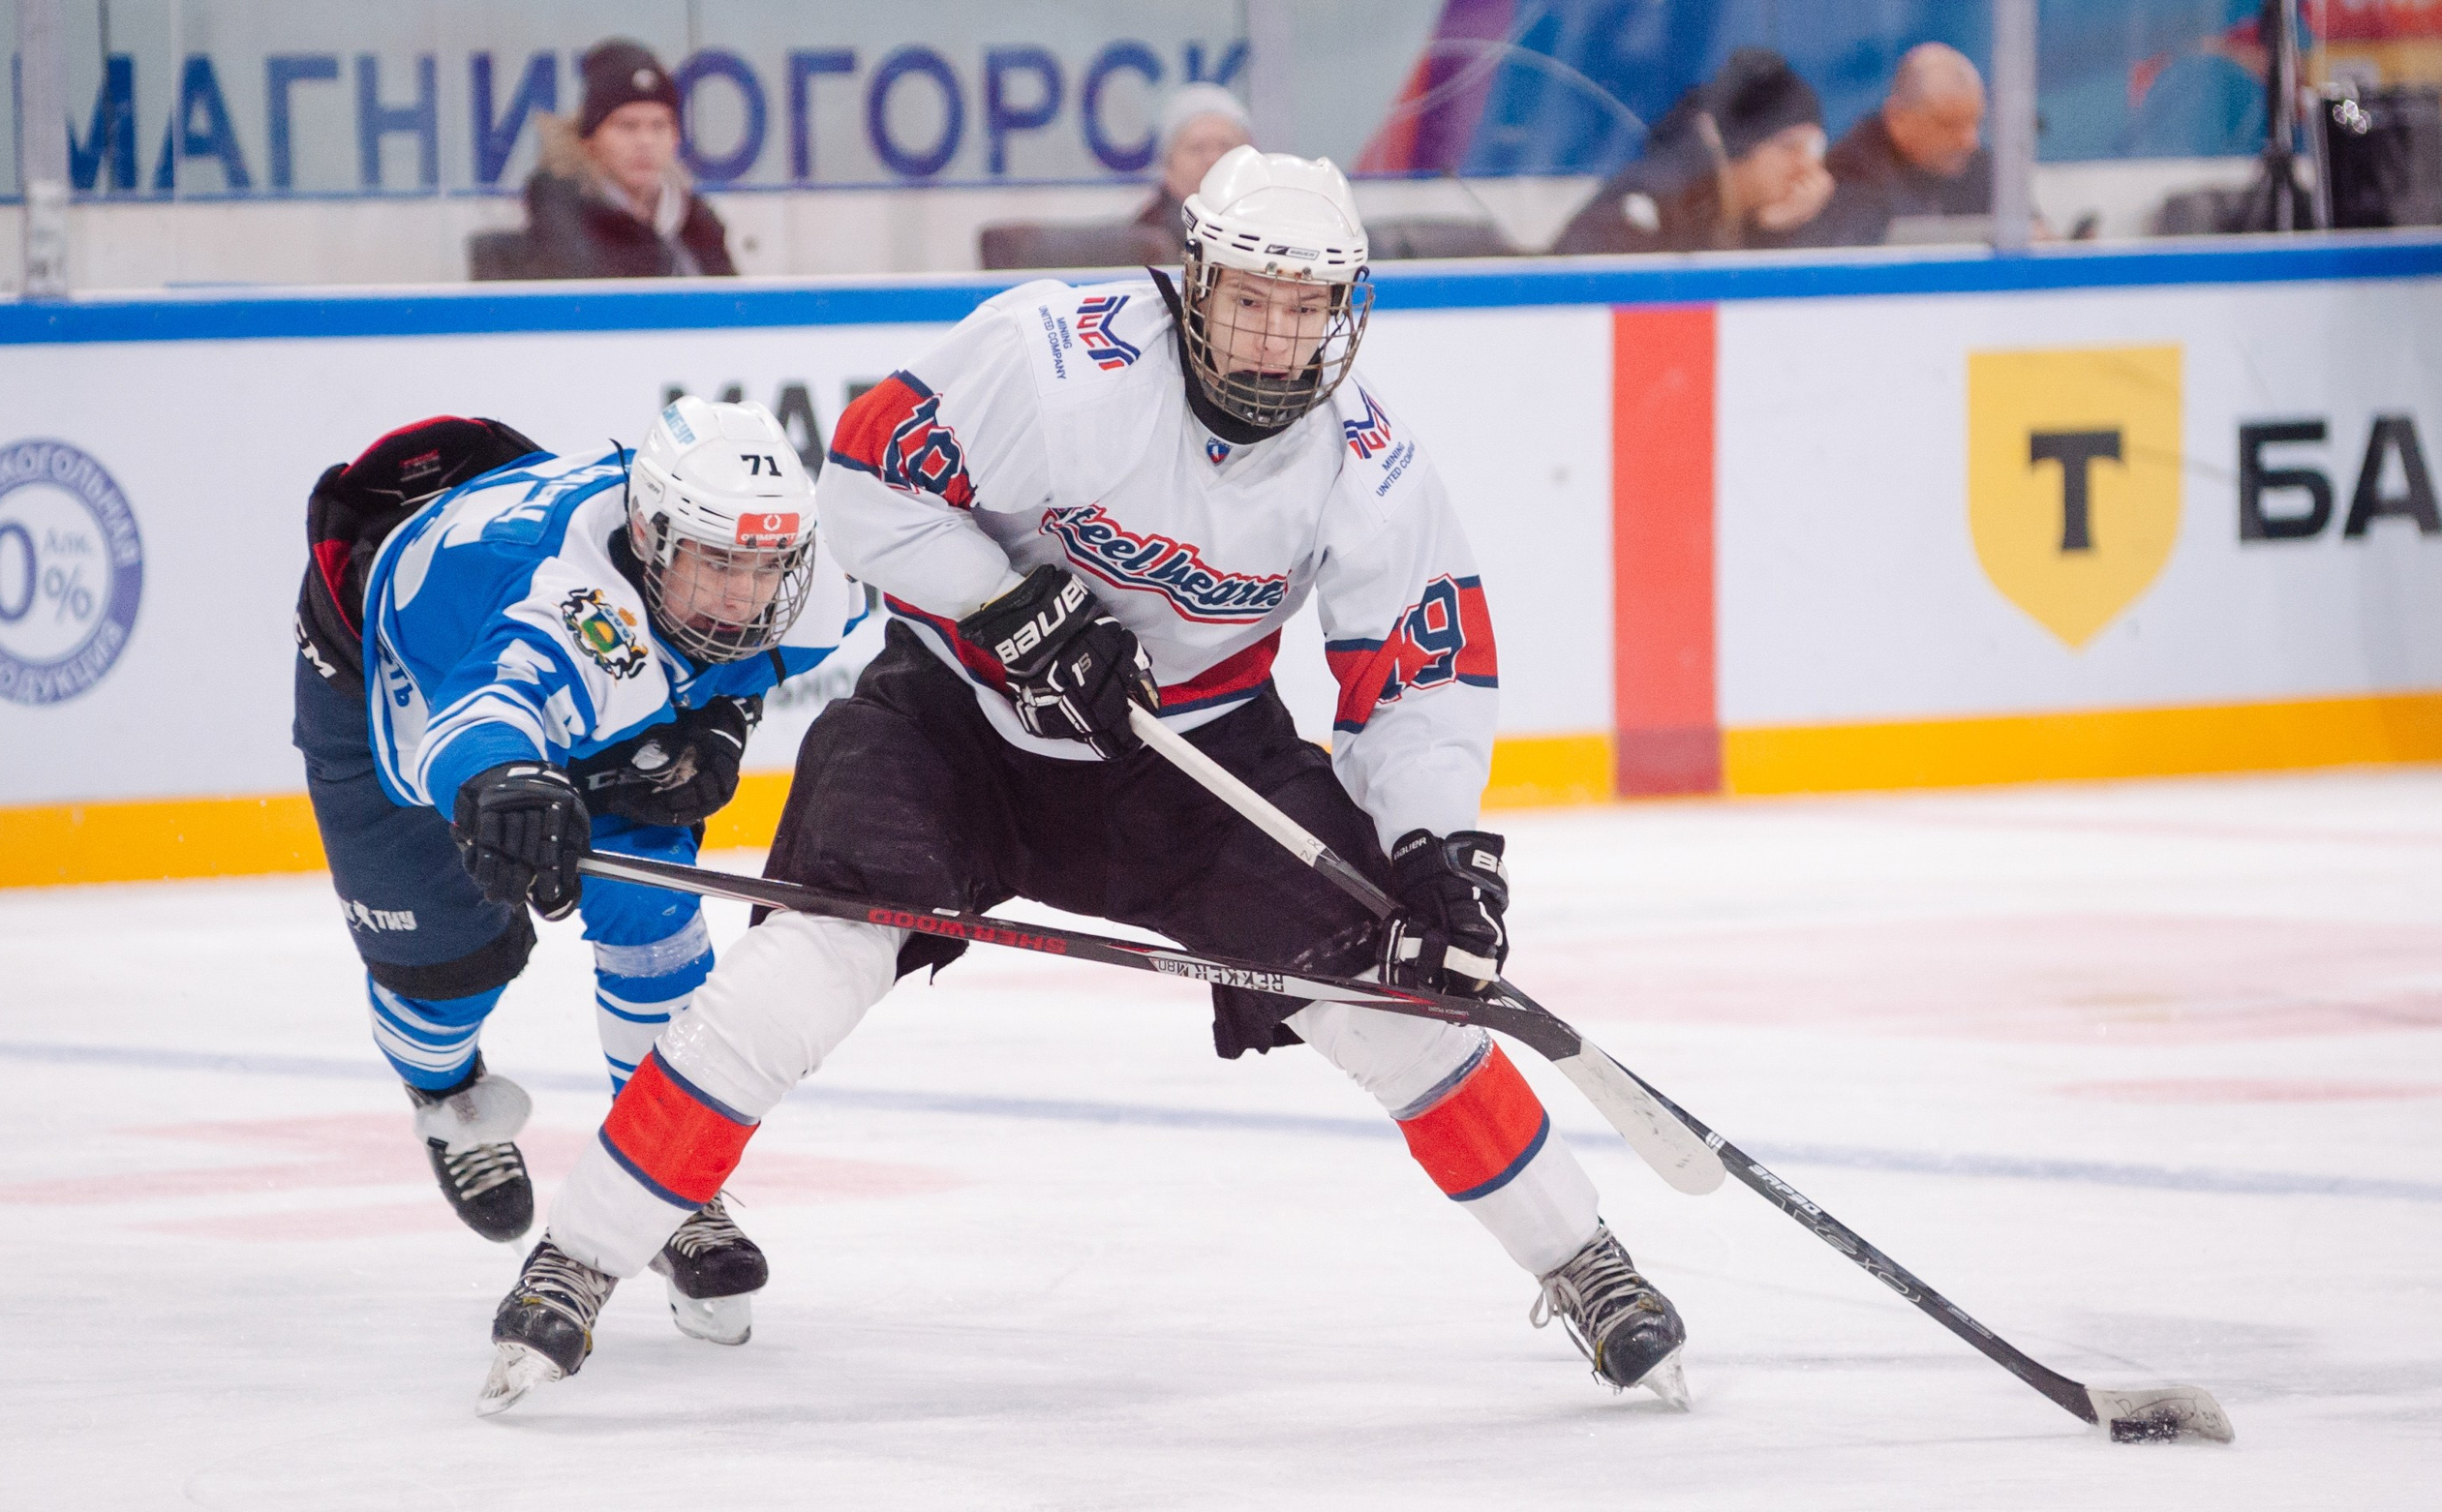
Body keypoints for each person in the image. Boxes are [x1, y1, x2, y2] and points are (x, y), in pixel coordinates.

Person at [474, 146, 1690, 1415]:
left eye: (1306, 307)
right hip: (954, 726)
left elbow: (1415, 672)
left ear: (1346, 312)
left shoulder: (1367, 463)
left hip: (1194, 765)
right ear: (1195, 281)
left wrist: (1436, 848)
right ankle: (579, 1260)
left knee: (1389, 999)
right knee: (800, 975)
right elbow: (867, 483)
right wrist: (1011, 607)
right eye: (1250, 298)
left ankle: (1584, 1264)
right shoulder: (1054, 358)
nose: (1275, 337)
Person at [290, 396, 863, 1346]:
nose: (743, 596)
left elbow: (759, 651)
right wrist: (506, 782)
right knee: (447, 971)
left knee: (651, 904)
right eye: (719, 563)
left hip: (562, 663)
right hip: (380, 671)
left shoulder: (795, 581)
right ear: (650, 539)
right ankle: (446, 1096)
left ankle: (670, 1180)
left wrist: (722, 719)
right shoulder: (566, 602)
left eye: (765, 565)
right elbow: (482, 714)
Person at [1551, 47, 1834, 255]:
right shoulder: (1651, 206)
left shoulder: (1758, 220)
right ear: (1732, 145)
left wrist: (1780, 231)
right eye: (1788, 146)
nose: (1807, 165)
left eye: (1814, 148)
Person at [514, 39, 736, 279]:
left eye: (659, 126)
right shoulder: (561, 214)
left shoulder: (695, 222)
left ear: (675, 137)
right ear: (590, 140)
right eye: (628, 126)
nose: (645, 141)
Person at [1813, 44, 1991, 245]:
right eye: (1949, 125)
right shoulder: (1850, 176)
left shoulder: (1984, 169)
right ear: (1898, 118)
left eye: (1975, 123)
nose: (1969, 141)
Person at [1132, 82, 1254, 240]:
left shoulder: (1278, 230)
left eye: (1226, 146)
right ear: (1168, 166)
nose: (1213, 160)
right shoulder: (1143, 241)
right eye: (1197, 148)